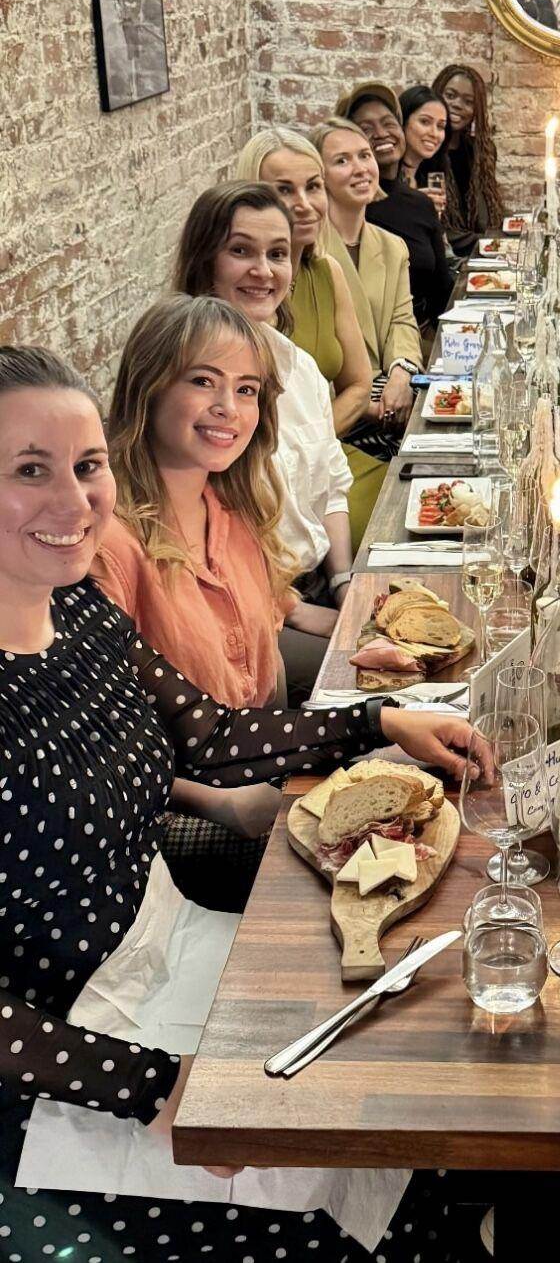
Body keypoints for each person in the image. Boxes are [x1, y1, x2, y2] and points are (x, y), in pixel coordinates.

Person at [0, 343, 479, 1262]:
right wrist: (149, 1089)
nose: (76, 502)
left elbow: (213, 737)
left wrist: (381, 723)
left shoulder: (79, 609)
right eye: (30, 471)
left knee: (411, 1088)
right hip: (58, 1066)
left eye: (88, 465)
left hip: (169, 943)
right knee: (339, 1209)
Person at [90, 296, 297, 907]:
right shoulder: (110, 546)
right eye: (203, 381)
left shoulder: (233, 513)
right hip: (165, 820)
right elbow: (105, 757)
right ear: (148, 389)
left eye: (246, 389)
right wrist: (228, 803)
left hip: (252, 769)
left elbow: (268, 680)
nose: (227, 409)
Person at [173, 181, 354, 702]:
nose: (264, 271)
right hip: (249, 608)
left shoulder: (299, 367)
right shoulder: (188, 383)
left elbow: (333, 486)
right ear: (205, 260)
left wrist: (344, 582)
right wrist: (294, 609)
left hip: (316, 582)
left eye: (278, 254)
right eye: (241, 251)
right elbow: (202, 535)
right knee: (381, 683)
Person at [236, 127, 387, 547]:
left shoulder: (326, 273)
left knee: (408, 506)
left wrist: (315, 446)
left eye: (313, 187)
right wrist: (309, 453)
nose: (304, 205)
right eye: (284, 190)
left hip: (328, 458)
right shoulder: (245, 293)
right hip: (263, 481)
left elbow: (359, 385)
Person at [310, 115, 422, 455]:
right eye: (342, 160)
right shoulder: (308, 253)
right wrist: (373, 407)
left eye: (364, 155)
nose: (360, 168)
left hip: (391, 396)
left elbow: (402, 322)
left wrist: (402, 375)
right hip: (339, 420)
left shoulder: (391, 246)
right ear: (320, 178)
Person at [337, 81, 455, 330]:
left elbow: (442, 293)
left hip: (420, 340)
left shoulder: (421, 204)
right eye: (365, 128)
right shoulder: (349, 207)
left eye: (389, 123)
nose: (381, 133)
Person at [399, 83, 477, 258]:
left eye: (441, 126)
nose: (434, 134)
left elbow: (445, 254)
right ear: (402, 122)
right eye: (425, 122)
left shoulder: (429, 175)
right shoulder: (389, 180)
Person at [432, 63, 505, 238]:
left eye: (468, 102)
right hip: (447, 256)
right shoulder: (425, 153)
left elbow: (489, 216)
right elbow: (436, 229)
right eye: (450, 96)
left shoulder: (480, 152)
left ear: (476, 111)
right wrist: (483, 241)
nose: (458, 105)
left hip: (480, 256)